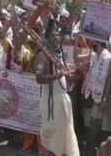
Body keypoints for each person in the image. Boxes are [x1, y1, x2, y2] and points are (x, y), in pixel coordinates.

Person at [35, 19, 79, 156]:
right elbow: (39, 78)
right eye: (53, 35)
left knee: (64, 136)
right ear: (47, 37)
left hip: (63, 102)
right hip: (50, 103)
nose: (57, 38)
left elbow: (66, 80)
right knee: (49, 138)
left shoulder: (59, 55)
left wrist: (73, 76)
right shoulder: (43, 56)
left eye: (58, 35)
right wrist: (57, 76)